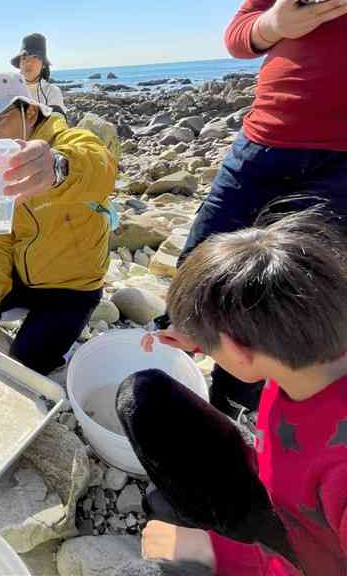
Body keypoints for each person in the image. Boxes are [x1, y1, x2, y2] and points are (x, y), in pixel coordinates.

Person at [115, 211, 347, 576]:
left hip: (305, 558)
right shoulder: (312, 350)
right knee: (144, 396)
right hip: (282, 490)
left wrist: (214, 552)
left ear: (240, 351)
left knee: (166, 566)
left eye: (214, 346)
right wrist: (205, 338)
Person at [164, 0, 347, 416]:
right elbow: (239, 36)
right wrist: (274, 22)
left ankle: (241, 409)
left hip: (341, 164)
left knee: (287, 289)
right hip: (265, 139)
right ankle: (183, 343)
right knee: (206, 252)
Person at [0, 73, 116, 375]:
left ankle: (60, 333)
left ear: (29, 112)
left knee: (26, 362)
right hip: (26, 277)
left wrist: (58, 167)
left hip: (73, 288)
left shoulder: (70, 141)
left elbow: (101, 167)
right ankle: (32, 317)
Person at [10, 33, 67, 116]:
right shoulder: (9, 90)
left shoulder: (51, 92)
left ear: (43, 64)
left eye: (35, 57)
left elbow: (56, 124)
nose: (28, 62)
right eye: (24, 58)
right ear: (19, 64)